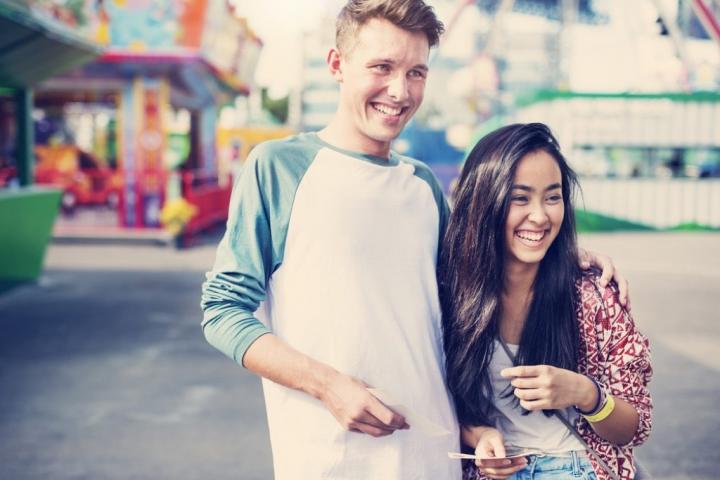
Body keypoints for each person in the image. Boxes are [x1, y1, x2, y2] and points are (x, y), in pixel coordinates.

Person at [201, 2, 627, 478]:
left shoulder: (423, 185)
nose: (400, 91)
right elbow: (222, 311)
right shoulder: (280, 168)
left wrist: (566, 256)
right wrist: (328, 386)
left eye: (416, 72)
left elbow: (474, 274)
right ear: (337, 65)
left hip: (436, 461)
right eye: (381, 67)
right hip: (330, 458)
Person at [439, 123, 652, 480]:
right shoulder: (448, 293)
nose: (540, 216)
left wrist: (586, 394)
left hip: (578, 467)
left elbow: (635, 427)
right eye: (520, 198)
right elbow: (431, 395)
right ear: (484, 200)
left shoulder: (594, 295)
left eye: (552, 197)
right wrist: (480, 436)